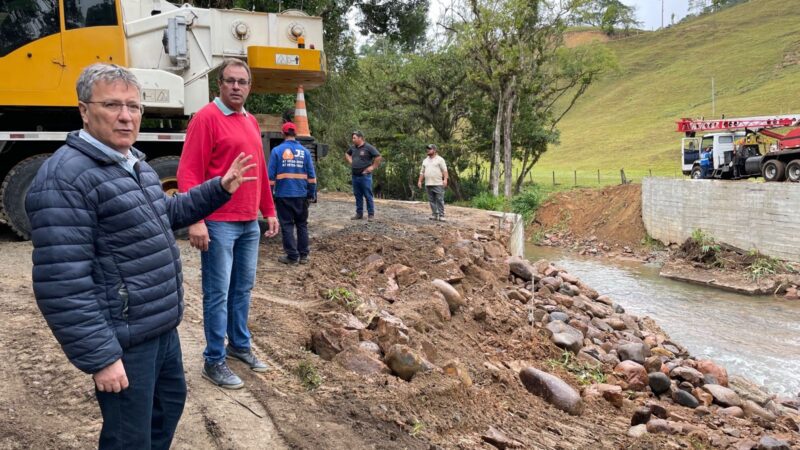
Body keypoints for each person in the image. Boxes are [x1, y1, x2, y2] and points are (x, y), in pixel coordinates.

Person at [26, 63, 256, 449]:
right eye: (113, 105)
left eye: (133, 106)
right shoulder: (65, 178)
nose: (125, 116)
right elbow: (62, 283)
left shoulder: (134, 164)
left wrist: (218, 188)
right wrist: (101, 357)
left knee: (166, 408)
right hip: (124, 337)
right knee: (128, 436)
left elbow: (166, 215)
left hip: (159, 327)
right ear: (84, 110)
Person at [177, 58, 280, 390]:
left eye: (242, 82)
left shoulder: (249, 120)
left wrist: (269, 211)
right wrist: (196, 220)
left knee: (241, 290)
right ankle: (213, 360)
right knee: (217, 294)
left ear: (250, 87)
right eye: (230, 81)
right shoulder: (206, 119)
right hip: (219, 222)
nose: (236, 86)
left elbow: (259, 172)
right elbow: (189, 171)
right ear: (218, 85)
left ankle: (239, 346)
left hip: (249, 222)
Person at [268, 122, 317, 265]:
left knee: (287, 225)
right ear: (296, 134)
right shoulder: (305, 152)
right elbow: (312, 176)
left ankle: (292, 257)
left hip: (284, 195)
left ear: (283, 134)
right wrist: (311, 194)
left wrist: (270, 196)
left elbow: (271, 177)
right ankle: (304, 255)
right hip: (301, 195)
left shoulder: (277, 151)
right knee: (302, 224)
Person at [345, 130, 382, 221]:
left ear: (360, 138)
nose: (352, 140)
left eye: (354, 138)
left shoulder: (368, 147)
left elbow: (378, 156)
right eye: (352, 138)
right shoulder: (353, 148)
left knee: (368, 195)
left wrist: (372, 167)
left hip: (365, 176)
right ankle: (359, 213)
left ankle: (371, 215)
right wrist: (351, 162)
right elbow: (347, 154)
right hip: (355, 176)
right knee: (357, 195)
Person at [417, 143, 449, 221]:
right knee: (431, 200)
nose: (428, 150)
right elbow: (422, 172)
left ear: (434, 150)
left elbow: (445, 170)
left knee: (439, 199)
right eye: (427, 149)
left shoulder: (440, 159)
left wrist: (445, 179)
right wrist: (420, 181)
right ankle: (434, 214)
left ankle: (441, 215)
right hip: (428, 183)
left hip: (438, 183)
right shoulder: (425, 160)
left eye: (430, 149)